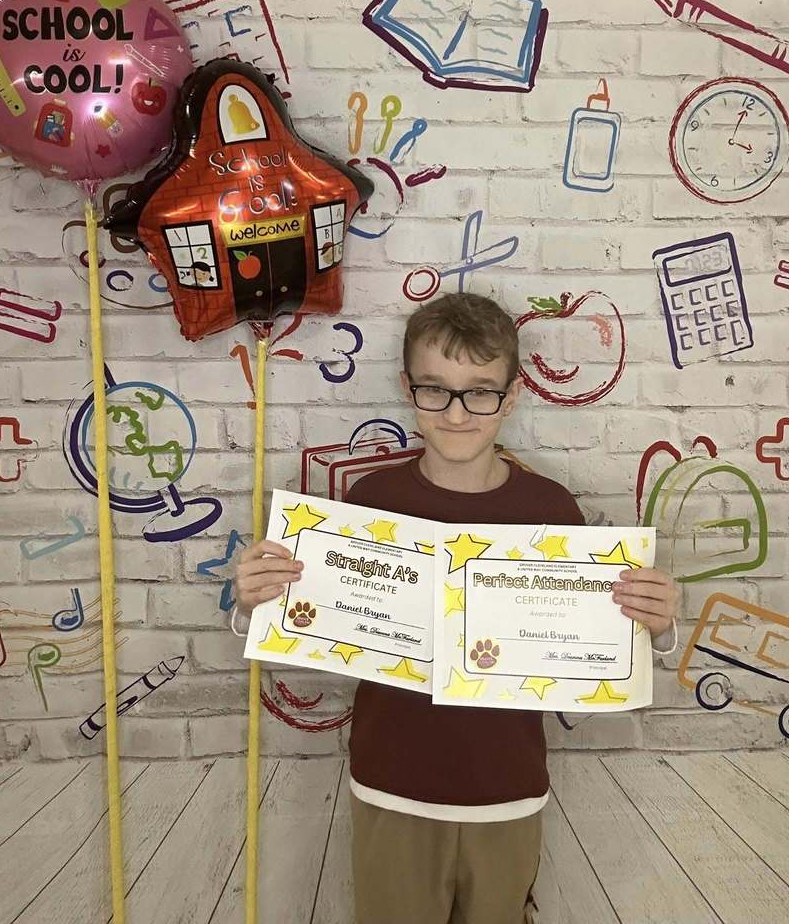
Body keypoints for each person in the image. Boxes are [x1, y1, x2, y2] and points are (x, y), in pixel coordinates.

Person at [234, 292, 678, 924]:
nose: (458, 413)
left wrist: (654, 627)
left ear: (512, 395)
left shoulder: (552, 512)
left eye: (480, 392)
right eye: (435, 390)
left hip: (509, 788)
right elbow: (308, 621)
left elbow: (595, 658)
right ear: (407, 388)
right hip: (390, 782)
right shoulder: (368, 502)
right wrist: (256, 602)